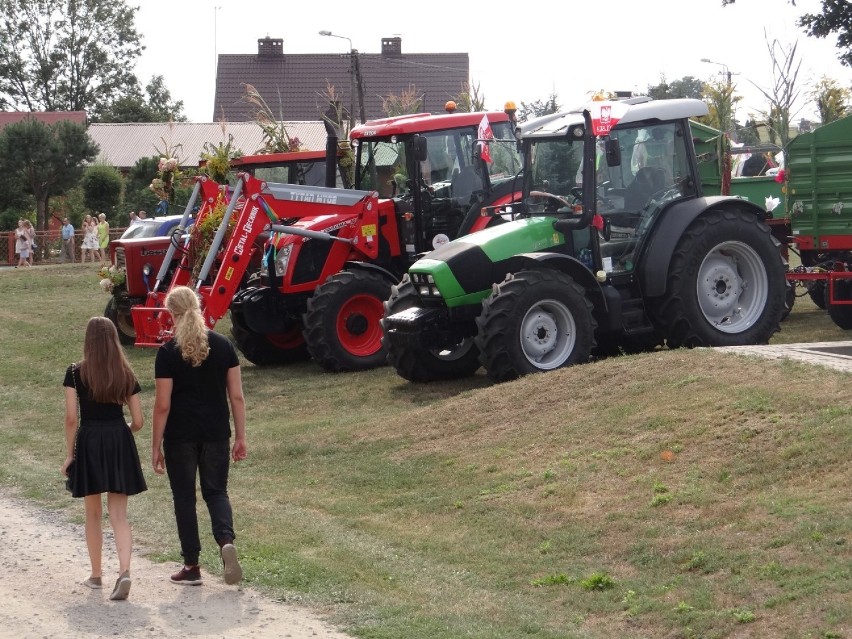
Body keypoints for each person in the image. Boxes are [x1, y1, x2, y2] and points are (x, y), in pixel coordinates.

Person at [152, 286, 247, 587]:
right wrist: (241, 436)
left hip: (180, 435)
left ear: (172, 314)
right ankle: (225, 541)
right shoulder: (223, 346)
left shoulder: (167, 353)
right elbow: (237, 396)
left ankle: (192, 565)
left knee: (184, 499)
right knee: (216, 493)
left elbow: (163, 404)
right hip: (217, 432)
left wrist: (155, 446)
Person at [62, 317, 147, 601]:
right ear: (113, 340)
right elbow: (138, 420)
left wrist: (69, 454)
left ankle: (97, 575)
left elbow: (72, 417)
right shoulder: (125, 373)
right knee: (119, 515)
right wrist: (124, 432)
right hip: (118, 439)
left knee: (93, 514)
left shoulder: (75, 373)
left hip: (89, 441)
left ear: (88, 341)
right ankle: (124, 571)